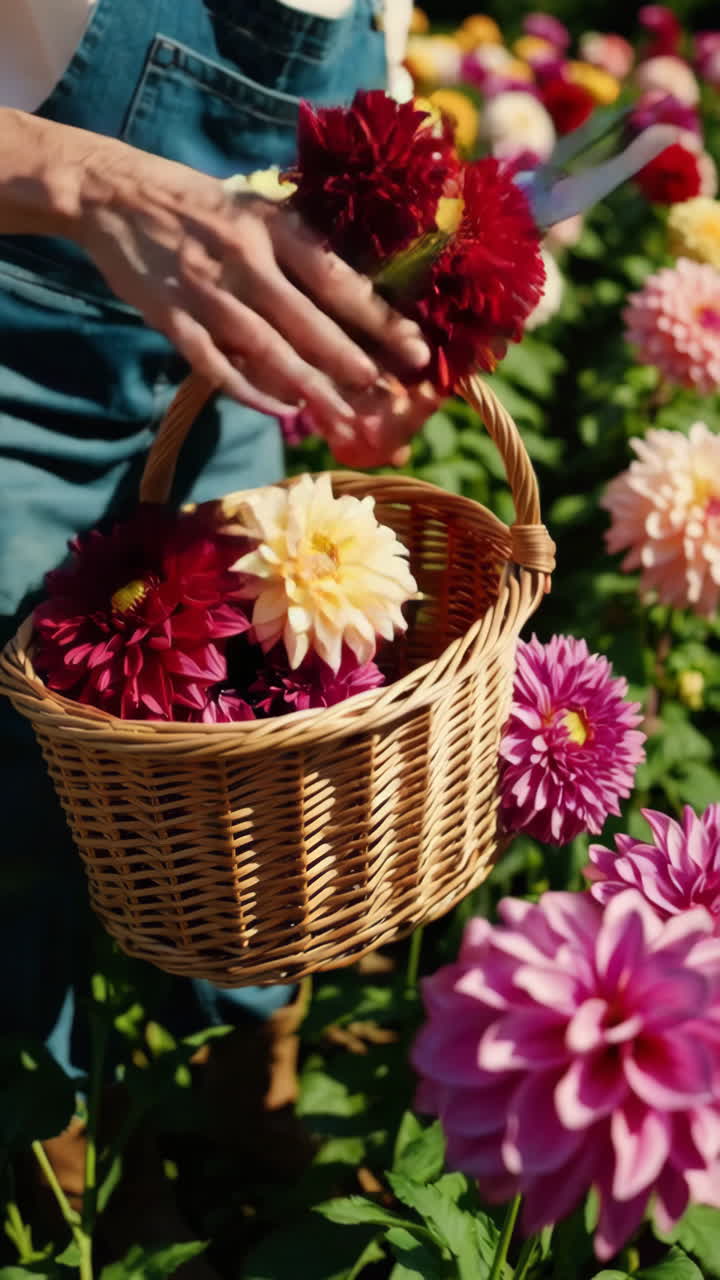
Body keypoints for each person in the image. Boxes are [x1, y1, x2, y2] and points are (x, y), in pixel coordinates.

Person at [0, 0, 436, 1248]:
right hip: (14, 367)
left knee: (256, 771)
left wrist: (377, 329)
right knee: (14, 835)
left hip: (217, 389)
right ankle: (58, 1193)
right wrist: (81, 176)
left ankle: (236, 1124)